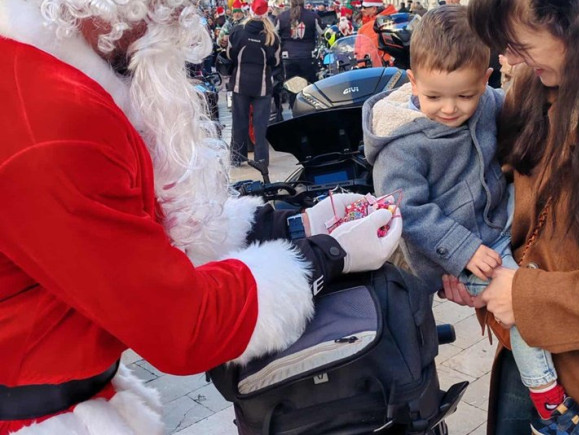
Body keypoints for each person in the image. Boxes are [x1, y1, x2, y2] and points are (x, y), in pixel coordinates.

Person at [0, 0, 403, 433]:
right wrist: (325, 256)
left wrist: (291, 226)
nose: (182, 15)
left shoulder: (44, 74)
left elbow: (135, 234)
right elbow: (180, 326)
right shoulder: (53, 119)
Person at [363, 5, 579, 434]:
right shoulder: (402, 142)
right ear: (412, 81)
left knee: (536, 282)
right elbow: (405, 210)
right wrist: (461, 250)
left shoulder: (492, 103)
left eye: (465, 96)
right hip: (455, 248)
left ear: (485, 80)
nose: (450, 109)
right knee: (523, 299)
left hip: (497, 224)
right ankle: (548, 399)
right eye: (435, 97)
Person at [440, 0, 579, 434]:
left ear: (576, 23)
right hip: (523, 357)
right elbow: (500, 201)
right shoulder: (534, 90)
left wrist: (526, 297)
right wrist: (475, 270)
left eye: (519, 43)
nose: (510, 58)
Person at [227, 0, 279, 167]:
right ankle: (261, 159)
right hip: (262, 85)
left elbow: (230, 55)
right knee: (260, 125)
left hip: (240, 83)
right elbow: (275, 61)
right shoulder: (271, 36)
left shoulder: (237, 31)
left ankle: (237, 157)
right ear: (266, 13)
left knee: (239, 122)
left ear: (249, 11)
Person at [276, 0, 323, 108]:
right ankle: (309, 109)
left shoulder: (281, 17)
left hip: (288, 56)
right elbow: (322, 32)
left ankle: (294, 109)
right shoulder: (313, 16)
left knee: (293, 87)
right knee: (309, 87)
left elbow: (274, 35)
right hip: (308, 56)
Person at [355, 0, 397, 66]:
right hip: (391, 65)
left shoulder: (370, 27)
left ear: (374, 9)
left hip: (379, 67)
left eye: (365, 7)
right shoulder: (390, 20)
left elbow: (367, 52)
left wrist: (361, 66)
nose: (362, 10)